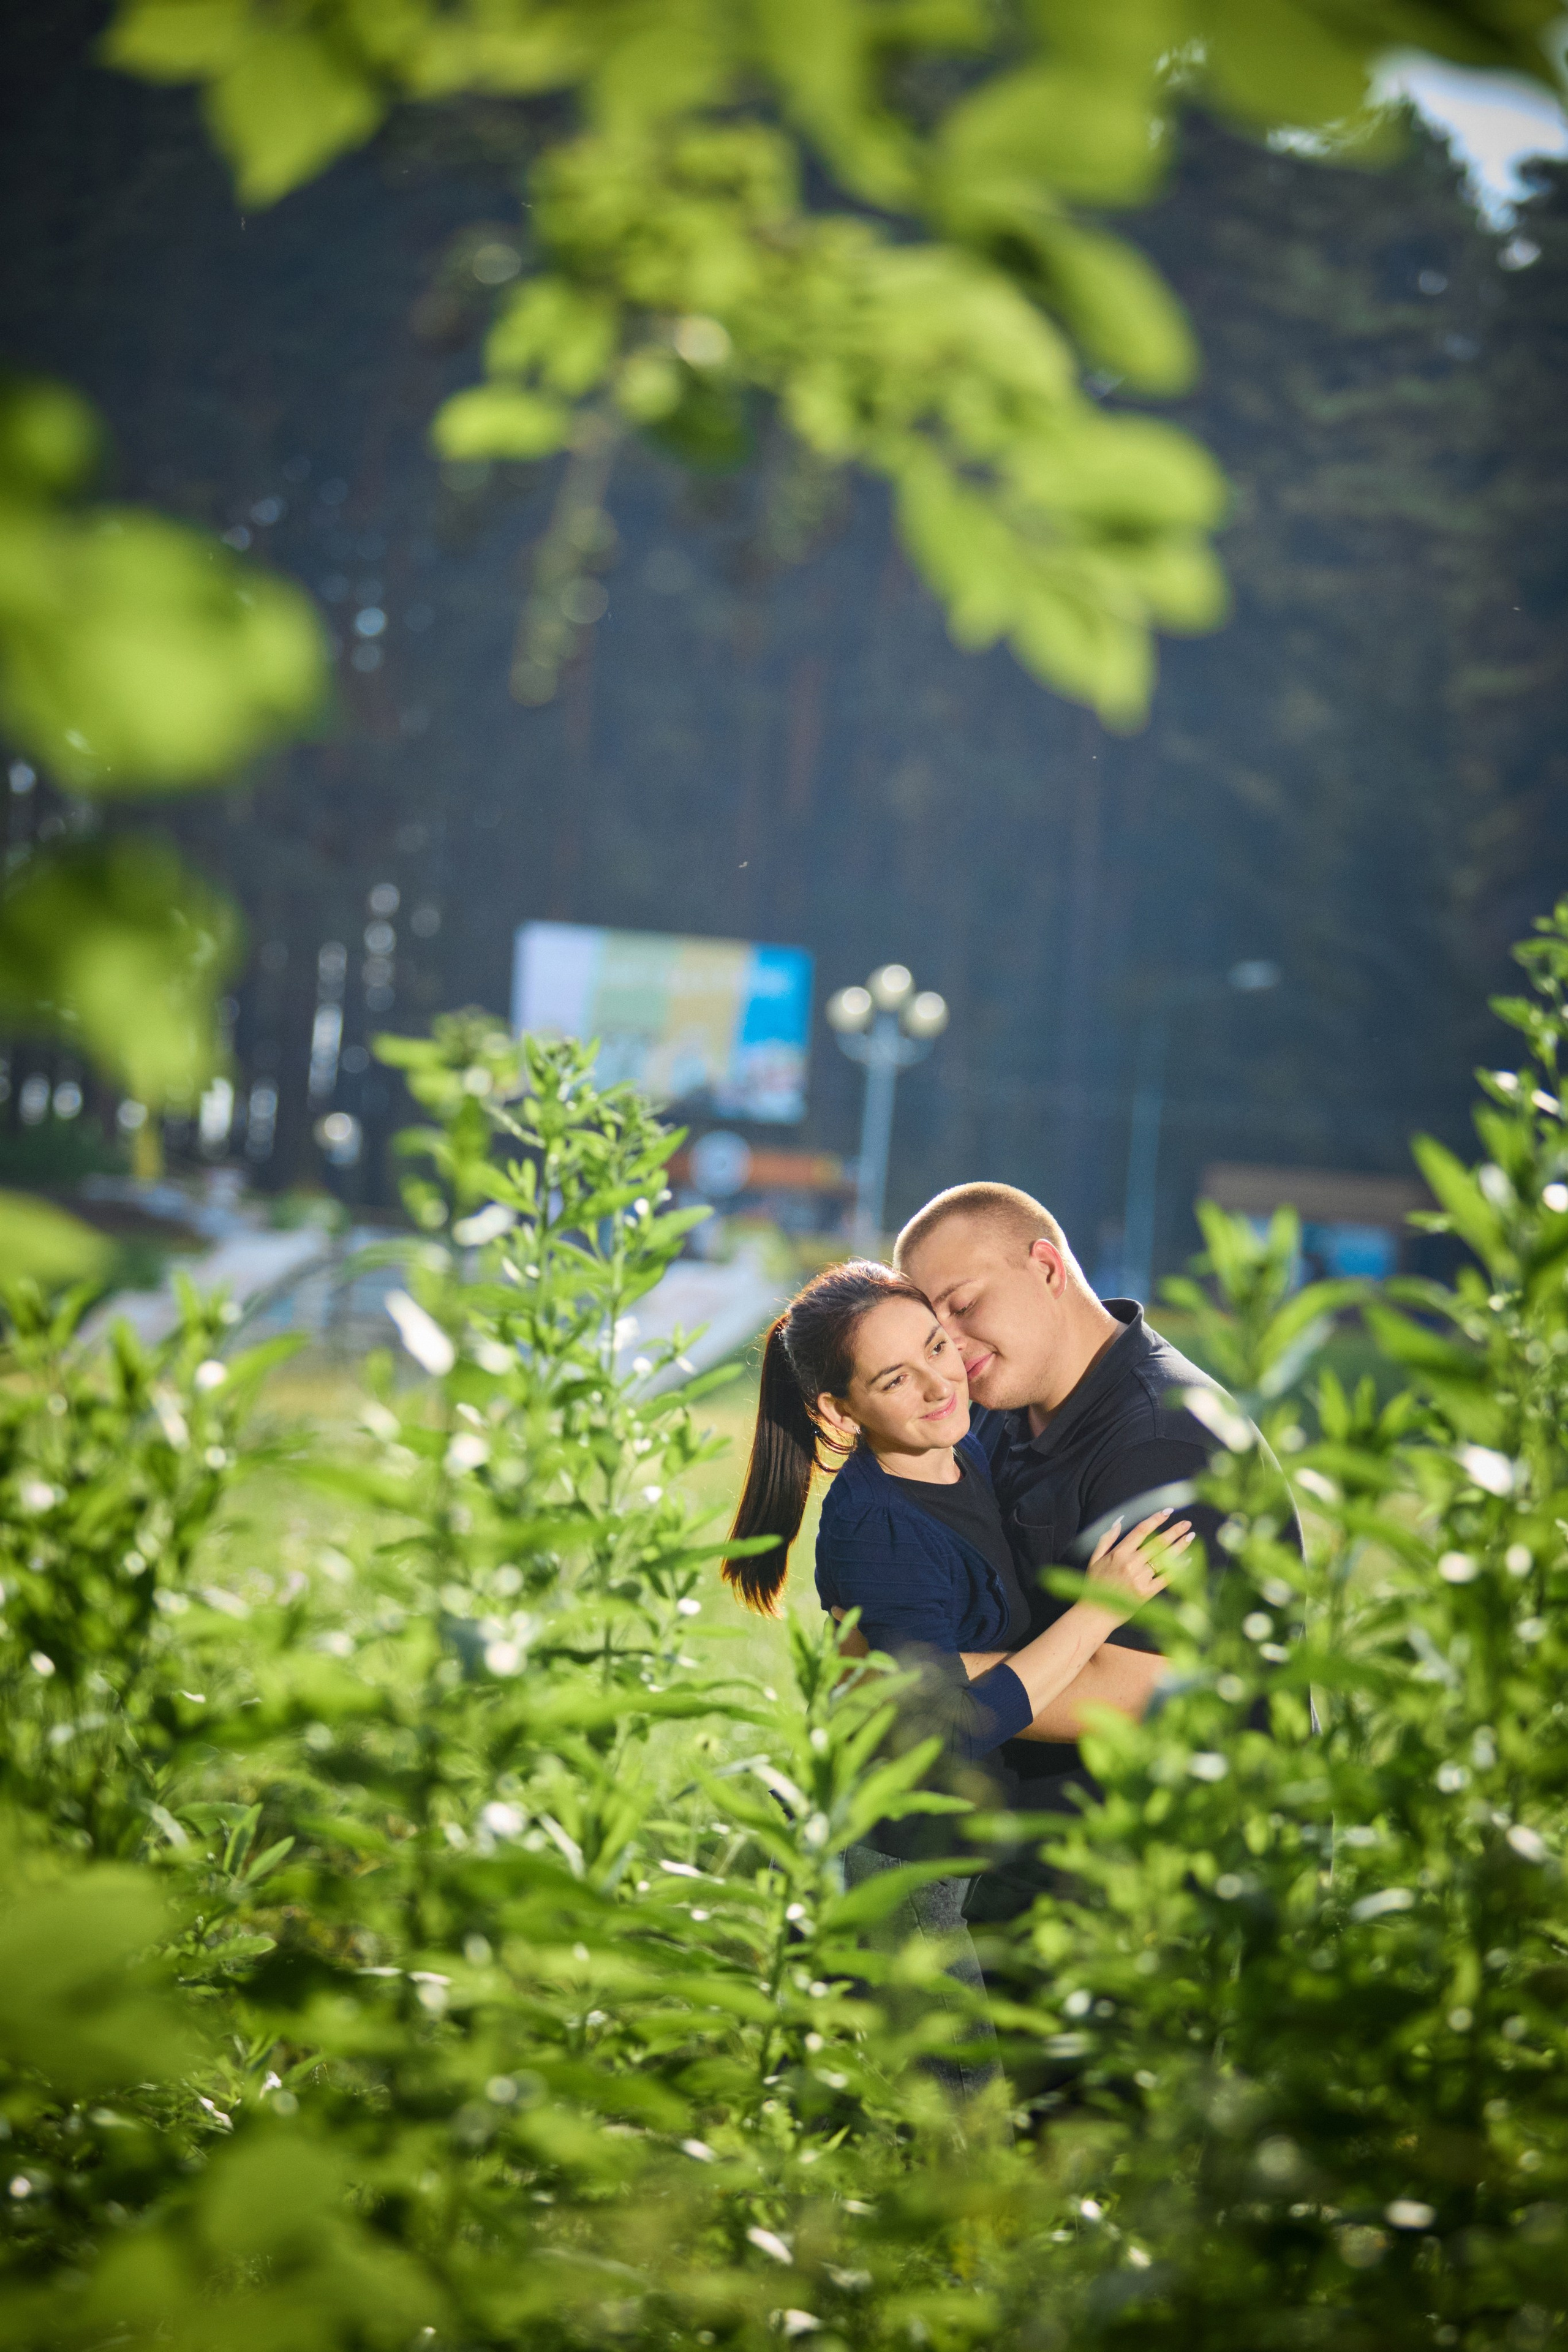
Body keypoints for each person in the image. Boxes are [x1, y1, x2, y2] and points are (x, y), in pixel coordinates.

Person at [721, 1259, 1186, 2086]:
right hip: (907, 1853)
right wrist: (1098, 1613)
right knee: (956, 2112)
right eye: (896, 1378)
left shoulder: (965, 1445)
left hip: (979, 1835)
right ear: (837, 1410)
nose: (940, 1384)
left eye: (937, 1346)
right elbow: (950, 1725)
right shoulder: (876, 1529)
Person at [895, 1179, 1298, 1922]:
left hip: (1162, 1892)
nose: (945, 1344)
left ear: (1047, 1268)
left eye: (963, 1304)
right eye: (929, 1324)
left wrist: (910, 1670)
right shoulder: (997, 1417)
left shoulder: (1166, 1442)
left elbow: (1127, 1694)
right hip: (1030, 1863)